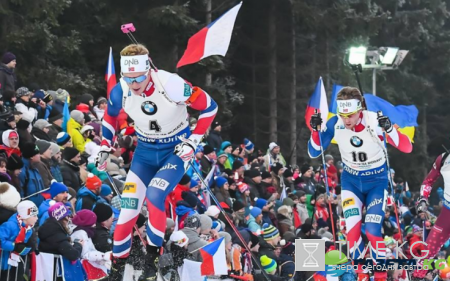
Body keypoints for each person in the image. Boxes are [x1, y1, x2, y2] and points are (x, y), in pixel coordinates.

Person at [97, 43, 217, 281]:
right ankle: (117, 270)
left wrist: (193, 141)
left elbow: (210, 108)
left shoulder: (171, 84)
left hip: (175, 151)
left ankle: (152, 263)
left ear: (148, 69)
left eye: (139, 78)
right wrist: (104, 145)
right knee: (128, 208)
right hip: (144, 154)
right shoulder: (120, 89)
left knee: (154, 195)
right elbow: (110, 115)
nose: (134, 84)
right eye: (128, 78)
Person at [308, 87, 412, 281]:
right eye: (343, 114)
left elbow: (407, 147)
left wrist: (389, 128)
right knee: (352, 234)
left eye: (351, 114)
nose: (346, 119)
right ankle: (362, 274)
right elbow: (314, 152)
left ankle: (380, 275)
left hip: (376, 183)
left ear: (360, 109)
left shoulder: (375, 119)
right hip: (351, 183)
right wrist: (315, 131)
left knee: (373, 231)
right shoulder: (335, 123)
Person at [412, 150, 450, 279]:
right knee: (426, 254)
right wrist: (423, 198)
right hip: (447, 212)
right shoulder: (443, 158)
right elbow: (428, 181)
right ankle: (417, 277)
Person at [0, 200, 38, 281]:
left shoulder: (29, 229)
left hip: (17, 261)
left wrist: (31, 246)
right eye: (34, 216)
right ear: (26, 216)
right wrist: (14, 246)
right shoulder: (10, 225)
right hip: (4, 262)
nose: (37, 218)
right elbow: (1, 240)